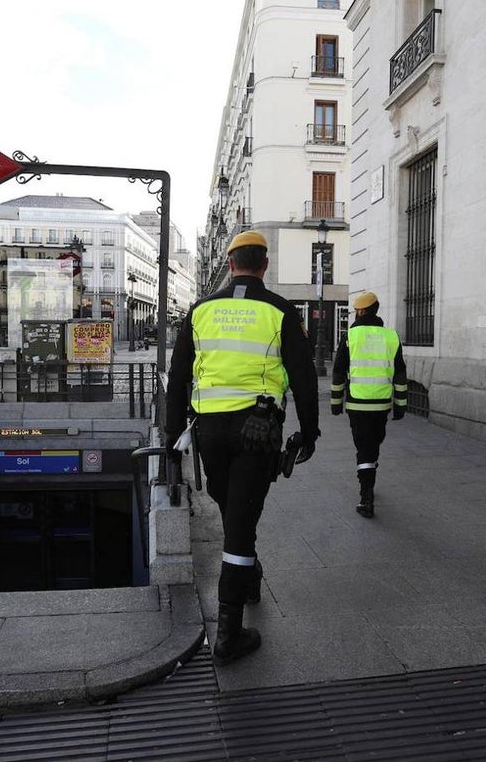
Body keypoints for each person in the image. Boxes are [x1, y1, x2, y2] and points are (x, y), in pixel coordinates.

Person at [165, 230, 320, 665]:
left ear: (230, 264)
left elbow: (177, 381)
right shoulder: (280, 310)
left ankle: (248, 578)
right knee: (239, 527)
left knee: (232, 509)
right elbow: (304, 378)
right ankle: (228, 634)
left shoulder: (199, 311)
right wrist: (310, 432)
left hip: (210, 432)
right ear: (264, 265)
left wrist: (170, 438)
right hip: (258, 431)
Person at [329, 292, 408, 518]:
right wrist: (400, 406)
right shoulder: (391, 336)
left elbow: (338, 371)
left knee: (363, 449)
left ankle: (366, 496)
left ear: (361, 311)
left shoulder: (351, 336)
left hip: (358, 404)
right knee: (373, 444)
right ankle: (370, 475)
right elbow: (400, 373)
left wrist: (336, 404)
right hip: (382, 404)